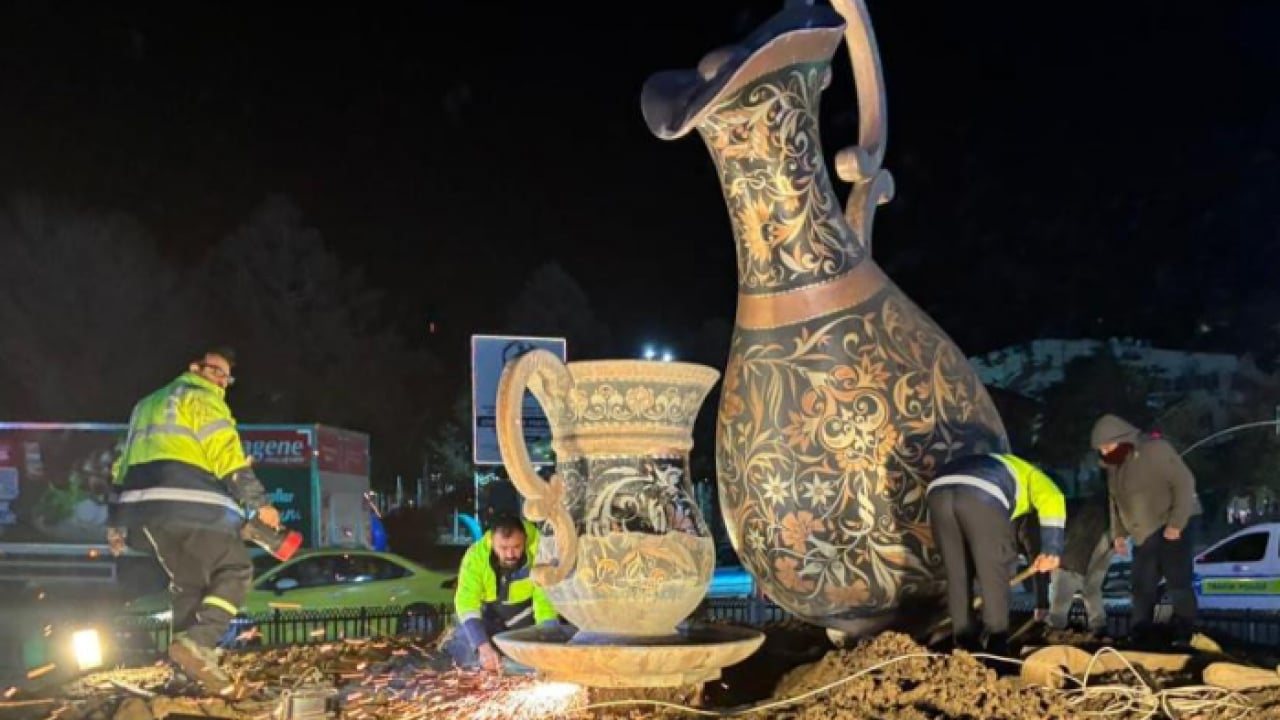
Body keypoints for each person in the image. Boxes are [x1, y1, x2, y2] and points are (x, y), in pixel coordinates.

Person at [107, 347, 280, 691]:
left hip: (147, 513)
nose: (220, 380)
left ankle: (185, 672)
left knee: (190, 585)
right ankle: (200, 644)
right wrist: (259, 503)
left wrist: (115, 523)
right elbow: (225, 453)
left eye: (226, 376)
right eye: (215, 370)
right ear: (193, 367)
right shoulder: (201, 397)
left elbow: (120, 465)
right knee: (235, 569)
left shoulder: (146, 405)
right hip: (191, 504)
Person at [927, 452, 1066, 655]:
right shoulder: (1037, 476)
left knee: (957, 575)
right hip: (983, 492)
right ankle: (996, 649)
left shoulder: (1006, 467)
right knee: (992, 574)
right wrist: (1051, 550)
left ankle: (965, 645)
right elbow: (1053, 498)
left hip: (937, 491)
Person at [1091, 414, 1197, 645]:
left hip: (1171, 525)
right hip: (1143, 533)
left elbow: (1184, 483)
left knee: (1177, 582)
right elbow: (1115, 501)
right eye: (1102, 448)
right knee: (1141, 585)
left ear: (1123, 438)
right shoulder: (1113, 466)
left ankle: (1184, 632)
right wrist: (1118, 533)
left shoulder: (1155, 450)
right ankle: (1141, 632)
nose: (1105, 451)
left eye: (1109, 445)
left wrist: (1176, 523)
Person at [449, 513, 558, 672]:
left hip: (526, 614)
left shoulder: (542, 553)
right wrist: (483, 647)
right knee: (466, 644)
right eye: (503, 548)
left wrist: (550, 636)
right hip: (489, 613)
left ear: (525, 540)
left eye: (516, 547)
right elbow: (467, 604)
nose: (510, 554)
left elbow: (545, 600)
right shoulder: (475, 557)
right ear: (492, 542)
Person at [1046, 494, 1113, 636]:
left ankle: (1056, 628)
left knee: (1064, 583)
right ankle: (1098, 627)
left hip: (1079, 544)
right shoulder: (1097, 499)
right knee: (1091, 587)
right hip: (1106, 533)